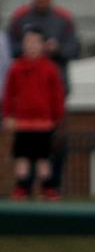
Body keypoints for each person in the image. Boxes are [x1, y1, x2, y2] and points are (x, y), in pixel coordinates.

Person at [7, 0, 79, 196]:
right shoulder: (20, 18)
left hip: (49, 106)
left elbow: (74, 48)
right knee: (23, 152)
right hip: (24, 112)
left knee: (51, 149)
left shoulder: (63, 19)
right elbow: (9, 46)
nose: (41, 3)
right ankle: (23, 187)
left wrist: (56, 50)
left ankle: (51, 186)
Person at [3, 28, 66, 200]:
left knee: (43, 158)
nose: (31, 46)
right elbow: (9, 94)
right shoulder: (16, 68)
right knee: (22, 157)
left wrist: (57, 117)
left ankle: (48, 188)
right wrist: (8, 115)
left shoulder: (50, 68)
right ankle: (21, 187)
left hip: (44, 123)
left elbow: (57, 95)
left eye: (35, 42)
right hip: (22, 122)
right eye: (28, 42)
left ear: (43, 45)